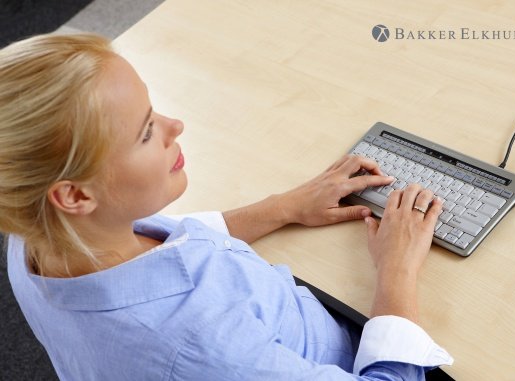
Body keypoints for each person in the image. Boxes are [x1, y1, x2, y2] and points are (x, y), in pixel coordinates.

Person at [0, 33, 452, 380]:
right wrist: (397, 270)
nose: (175, 125)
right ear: (75, 195)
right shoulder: (202, 347)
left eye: (153, 110)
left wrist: (284, 207)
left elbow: (165, 237)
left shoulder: (38, 231)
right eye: (144, 132)